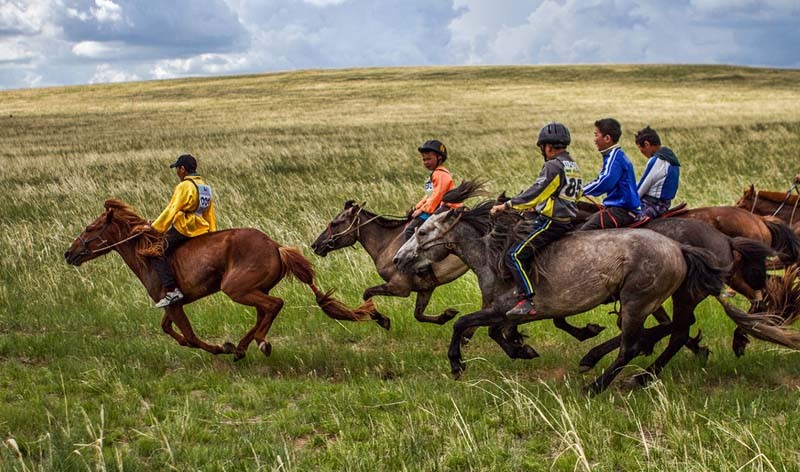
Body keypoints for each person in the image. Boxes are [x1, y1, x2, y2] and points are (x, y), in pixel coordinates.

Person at [491, 122, 582, 317]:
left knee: (513, 255)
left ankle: (526, 299)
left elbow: (537, 191)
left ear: (548, 146)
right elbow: (561, 193)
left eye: (542, 147)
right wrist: (537, 205)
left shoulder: (553, 165)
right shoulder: (572, 165)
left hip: (552, 221)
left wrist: (507, 206)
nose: (543, 151)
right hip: (566, 218)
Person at [143, 154, 216, 308]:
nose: (177, 172)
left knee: (157, 252)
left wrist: (155, 228)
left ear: (183, 169)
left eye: (177, 168)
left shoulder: (184, 186)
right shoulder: (204, 186)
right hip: (201, 228)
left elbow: (171, 209)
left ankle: (171, 290)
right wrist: (212, 233)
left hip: (186, 228)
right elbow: (209, 213)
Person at [580, 118, 641, 230]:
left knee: (584, 231)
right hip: (621, 209)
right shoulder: (615, 155)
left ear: (607, 138)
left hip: (621, 211)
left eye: (596, 135)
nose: (594, 140)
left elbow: (605, 181)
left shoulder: (615, 157)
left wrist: (580, 191)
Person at [404, 139, 461, 240]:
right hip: (434, 207)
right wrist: (417, 207)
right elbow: (428, 195)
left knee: (409, 231)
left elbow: (437, 195)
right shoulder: (432, 176)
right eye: (424, 160)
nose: (426, 162)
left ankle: (414, 255)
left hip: (445, 208)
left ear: (439, 158)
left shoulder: (441, 174)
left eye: (429, 159)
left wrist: (422, 210)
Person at [635, 126, 681, 219]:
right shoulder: (670, 158)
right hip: (665, 204)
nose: (641, 152)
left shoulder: (657, 160)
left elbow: (642, 187)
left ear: (647, 144)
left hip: (653, 205)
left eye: (640, 148)